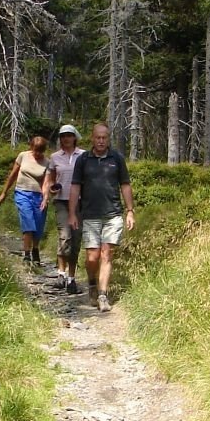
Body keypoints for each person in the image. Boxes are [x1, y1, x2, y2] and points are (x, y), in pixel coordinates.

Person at [68, 123, 134, 312]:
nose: (101, 141)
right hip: (90, 215)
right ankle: (91, 284)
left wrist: (130, 211)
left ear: (108, 139)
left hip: (113, 214)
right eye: (98, 137)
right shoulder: (83, 160)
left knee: (107, 254)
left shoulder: (117, 158)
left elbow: (125, 184)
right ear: (92, 138)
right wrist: (72, 213)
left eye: (104, 137)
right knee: (92, 257)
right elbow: (75, 187)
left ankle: (103, 295)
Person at [40, 124, 85, 294]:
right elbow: (50, 180)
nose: (66, 138)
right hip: (61, 201)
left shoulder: (83, 155)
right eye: (63, 136)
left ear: (74, 137)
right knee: (64, 236)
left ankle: (72, 278)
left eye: (69, 135)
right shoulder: (54, 157)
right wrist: (51, 189)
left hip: (80, 202)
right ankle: (61, 273)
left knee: (75, 239)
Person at [0, 135, 50, 265]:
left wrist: (45, 198)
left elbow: (46, 182)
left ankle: (35, 250)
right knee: (28, 221)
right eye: (35, 150)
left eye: (40, 151)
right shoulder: (23, 156)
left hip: (38, 195)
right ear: (31, 147)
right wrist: (4, 192)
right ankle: (26, 253)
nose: (37, 154)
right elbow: (13, 174)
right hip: (22, 192)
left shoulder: (47, 162)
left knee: (38, 224)